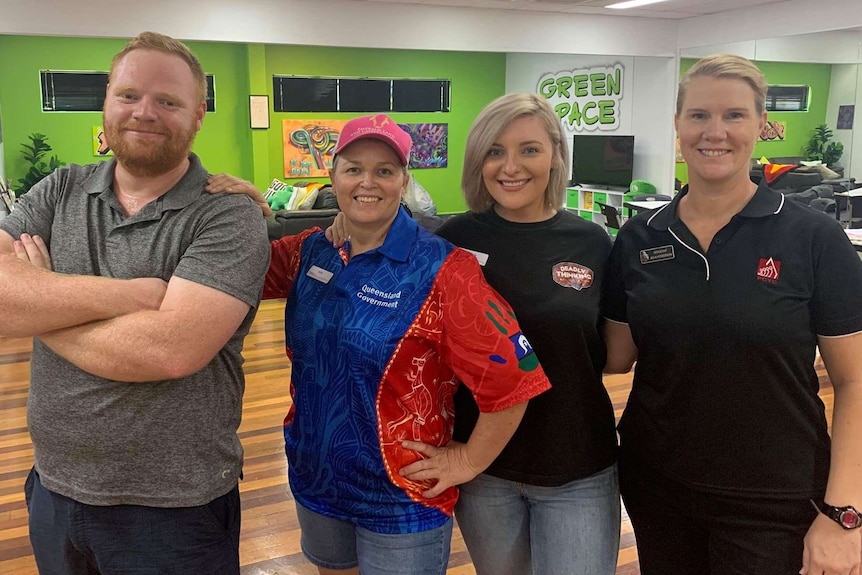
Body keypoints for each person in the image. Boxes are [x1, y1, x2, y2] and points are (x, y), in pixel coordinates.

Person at [208, 113, 552, 575]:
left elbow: (514, 375)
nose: (367, 182)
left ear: (403, 181)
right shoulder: (312, 251)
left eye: (384, 171)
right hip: (317, 481)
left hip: (401, 499)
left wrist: (468, 460)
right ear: (332, 177)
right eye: (354, 168)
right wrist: (245, 211)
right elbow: (233, 269)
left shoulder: (443, 270)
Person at [0, 32, 270, 574]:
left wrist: (40, 303)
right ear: (106, 102)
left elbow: (169, 351)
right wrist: (132, 295)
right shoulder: (60, 189)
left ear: (197, 117)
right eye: (129, 95)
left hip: (173, 510)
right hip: (53, 488)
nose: (144, 112)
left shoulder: (226, 215)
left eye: (168, 101)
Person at [603, 53, 862, 575]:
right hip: (658, 487)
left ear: (761, 126)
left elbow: (855, 382)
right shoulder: (639, 238)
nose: (714, 132)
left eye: (734, 115)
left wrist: (844, 514)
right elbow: (615, 358)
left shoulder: (814, 239)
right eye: (698, 115)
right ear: (677, 124)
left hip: (774, 497)